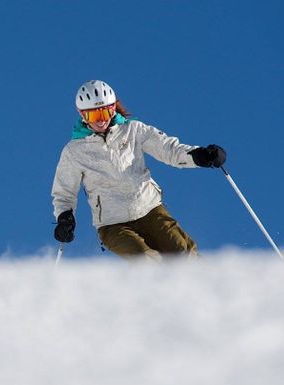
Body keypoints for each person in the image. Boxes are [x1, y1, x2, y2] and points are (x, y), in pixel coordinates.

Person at [51, 80, 226, 261]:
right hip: (113, 224)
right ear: (82, 115)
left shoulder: (133, 130)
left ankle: (205, 287)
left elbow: (168, 149)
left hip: (149, 209)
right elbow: (64, 192)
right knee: (145, 259)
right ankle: (162, 289)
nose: (102, 120)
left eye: (105, 111)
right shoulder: (75, 151)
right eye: (95, 115)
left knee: (183, 252)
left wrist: (198, 155)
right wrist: (65, 217)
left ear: (113, 108)